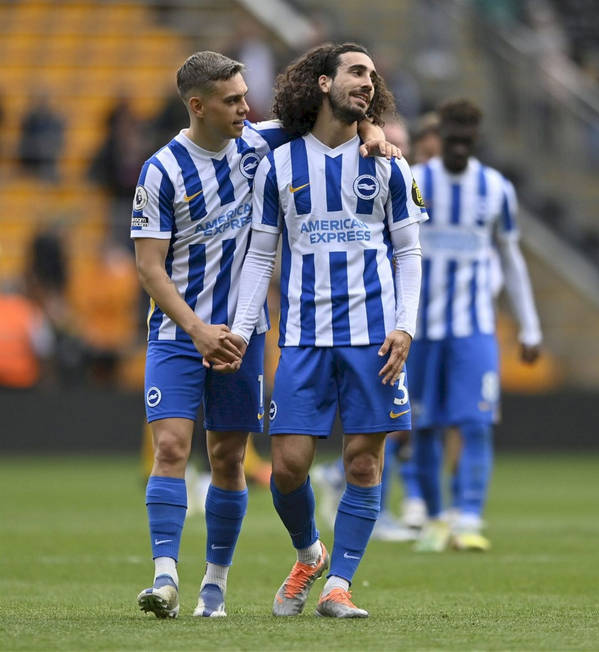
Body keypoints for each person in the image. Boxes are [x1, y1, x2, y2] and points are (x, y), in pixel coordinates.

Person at [132, 50, 397, 620]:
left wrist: (374, 127)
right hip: (181, 331)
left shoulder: (258, 142)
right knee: (173, 447)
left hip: (243, 334)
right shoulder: (160, 171)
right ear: (198, 106)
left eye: (245, 95)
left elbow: (336, 120)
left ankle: (215, 585)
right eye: (232, 100)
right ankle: (165, 576)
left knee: (228, 457)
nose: (246, 108)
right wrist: (197, 328)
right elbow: (150, 267)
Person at [227, 42, 426, 619]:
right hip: (304, 337)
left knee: (364, 464)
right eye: (356, 72)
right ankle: (309, 553)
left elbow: (409, 253)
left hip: (374, 339)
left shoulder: (389, 162)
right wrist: (242, 332)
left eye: (372, 76)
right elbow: (262, 257)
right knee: (287, 467)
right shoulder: (276, 157)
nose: (368, 81)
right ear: (321, 82)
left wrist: (406, 329)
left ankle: (339, 583)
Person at [409, 99, 542, 552]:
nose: (460, 148)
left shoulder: (496, 188)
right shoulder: (415, 182)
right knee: (423, 427)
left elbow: (511, 255)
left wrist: (530, 327)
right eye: (452, 140)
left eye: (468, 141)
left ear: (477, 140)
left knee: (476, 423)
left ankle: (468, 517)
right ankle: (432, 518)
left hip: (474, 329)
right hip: (420, 329)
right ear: (439, 135)